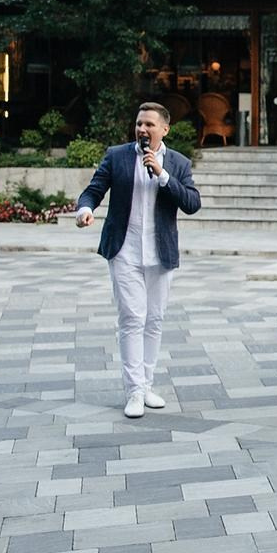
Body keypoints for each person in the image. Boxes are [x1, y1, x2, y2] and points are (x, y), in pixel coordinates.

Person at [74, 102, 204, 418]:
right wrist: (85, 209)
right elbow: (93, 190)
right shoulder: (117, 155)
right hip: (124, 250)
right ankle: (133, 391)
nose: (142, 129)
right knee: (133, 317)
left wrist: (162, 176)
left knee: (154, 319)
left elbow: (192, 204)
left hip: (161, 252)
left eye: (149, 124)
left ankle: (147, 384)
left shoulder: (178, 163)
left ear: (165, 129)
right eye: (139, 123)